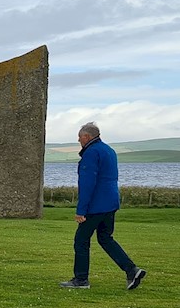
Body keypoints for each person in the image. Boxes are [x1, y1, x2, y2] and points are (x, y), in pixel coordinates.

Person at [60, 123, 147, 290]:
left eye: (80, 136)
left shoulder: (91, 153)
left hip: (96, 205)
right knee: (105, 238)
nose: (78, 139)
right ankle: (131, 270)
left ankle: (81, 279)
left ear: (87, 137)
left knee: (81, 240)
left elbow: (87, 183)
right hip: (110, 202)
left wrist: (81, 210)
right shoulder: (109, 150)